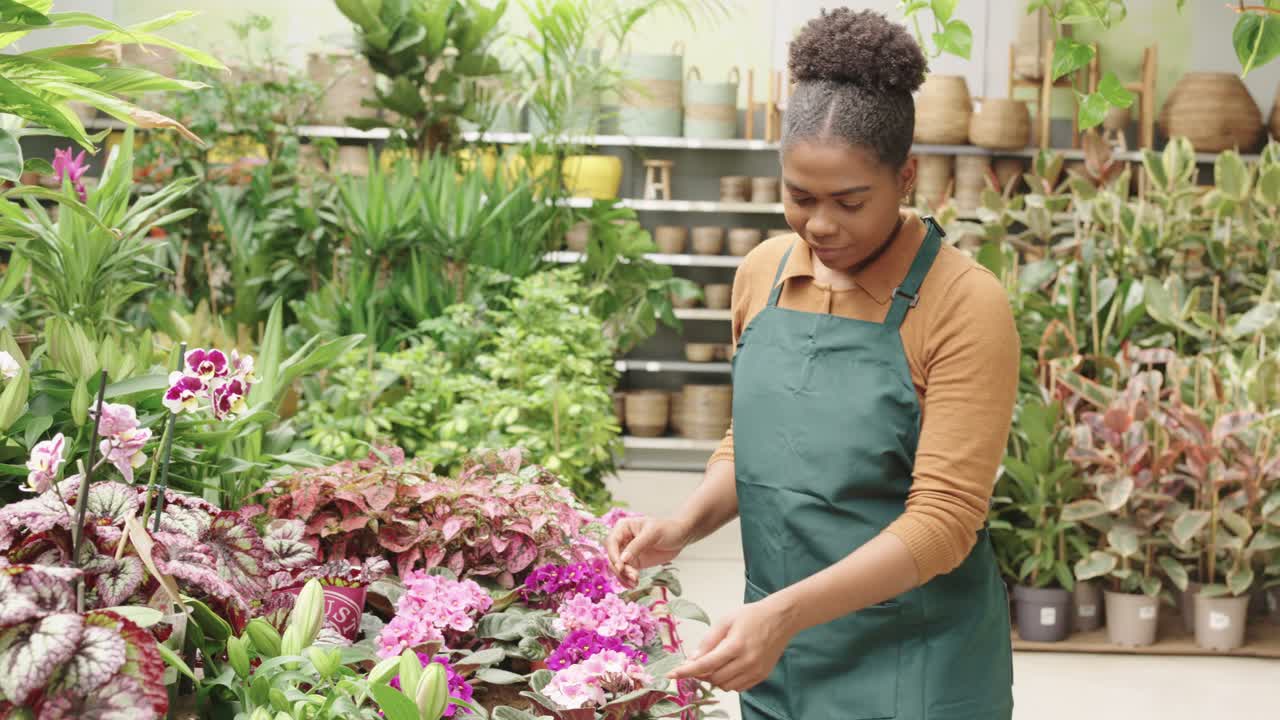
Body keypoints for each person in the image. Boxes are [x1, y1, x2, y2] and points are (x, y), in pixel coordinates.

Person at [606, 8, 1020, 720]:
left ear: (907, 177)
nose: (820, 225)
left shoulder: (963, 304)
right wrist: (681, 528)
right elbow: (757, 443)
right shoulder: (762, 274)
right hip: (777, 660)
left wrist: (786, 615)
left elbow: (945, 521)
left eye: (849, 201)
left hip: (916, 667)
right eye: (799, 197)